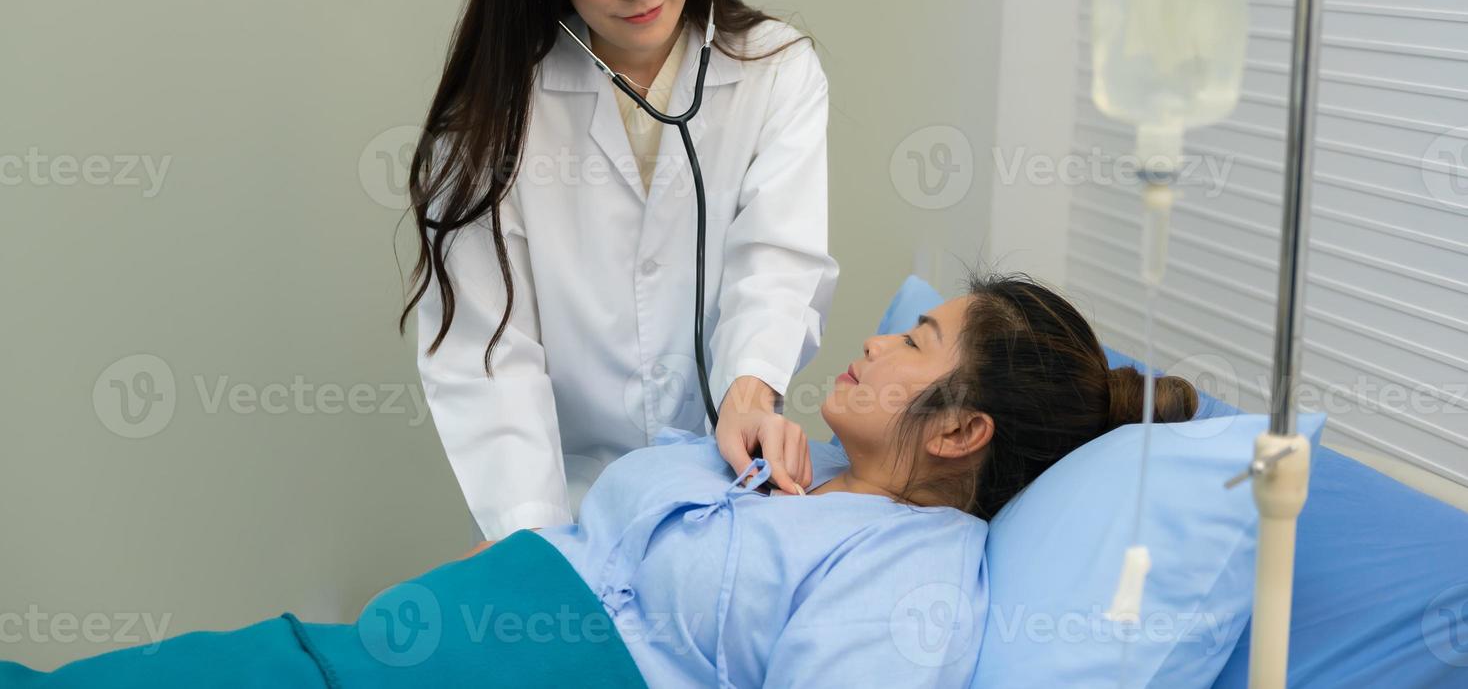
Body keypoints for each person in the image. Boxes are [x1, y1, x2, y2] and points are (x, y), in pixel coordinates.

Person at [0, 270, 1197, 687]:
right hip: (408, 637)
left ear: (957, 431)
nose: (879, 339)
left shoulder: (914, 573)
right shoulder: (794, 465)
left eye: (917, 339)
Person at [399, 0, 840, 546]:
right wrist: (542, 550)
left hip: (719, 493)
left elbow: (776, 261)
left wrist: (749, 388)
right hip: (562, 509)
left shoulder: (775, 71)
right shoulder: (491, 119)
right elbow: (489, 359)